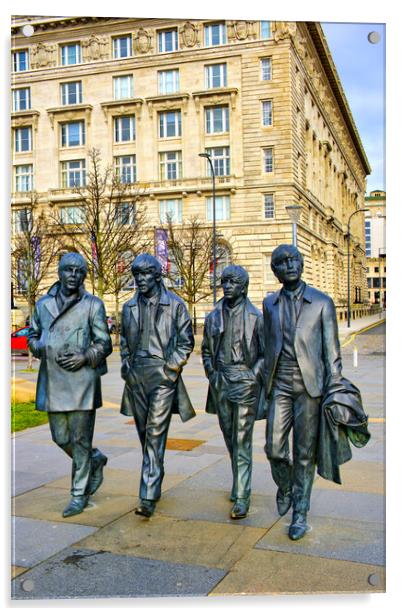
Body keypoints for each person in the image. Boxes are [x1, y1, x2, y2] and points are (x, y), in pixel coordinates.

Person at [263, 244, 342, 540]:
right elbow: (266, 345)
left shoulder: (322, 303)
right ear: (275, 271)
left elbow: (332, 354)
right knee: (274, 448)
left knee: (305, 453)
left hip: (310, 387)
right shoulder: (269, 304)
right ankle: (284, 486)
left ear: (302, 263)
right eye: (283, 262)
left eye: (294, 259)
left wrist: (334, 391)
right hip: (280, 384)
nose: (290, 264)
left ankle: (300, 510)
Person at [28, 253, 112, 517]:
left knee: (80, 438)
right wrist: (39, 346)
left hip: (82, 380)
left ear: (84, 276)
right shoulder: (42, 305)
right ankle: (94, 459)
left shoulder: (92, 305)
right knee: (60, 437)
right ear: (59, 273)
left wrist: (85, 356)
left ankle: (79, 494)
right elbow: (32, 334)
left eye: (79, 271)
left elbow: (104, 343)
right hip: (54, 380)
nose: (73, 275)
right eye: (68, 270)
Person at [120, 254, 195, 518]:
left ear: (157, 275)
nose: (140, 280)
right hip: (136, 376)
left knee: (154, 434)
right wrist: (125, 366)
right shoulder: (128, 307)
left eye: (145, 274)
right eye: (136, 275)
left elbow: (186, 342)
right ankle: (155, 473)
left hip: (162, 376)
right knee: (145, 435)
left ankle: (148, 494)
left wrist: (170, 369)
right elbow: (124, 340)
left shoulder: (175, 305)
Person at [202, 265, 265, 519]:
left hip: (245, 381)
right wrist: (212, 374)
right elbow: (206, 350)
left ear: (244, 286)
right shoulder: (213, 316)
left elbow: (265, 353)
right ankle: (240, 480)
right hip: (221, 381)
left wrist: (252, 376)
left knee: (241, 439)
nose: (227, 286)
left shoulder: (256, 317)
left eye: (233, 282)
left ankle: (242, 496)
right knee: (230, 438)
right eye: (224, 281)